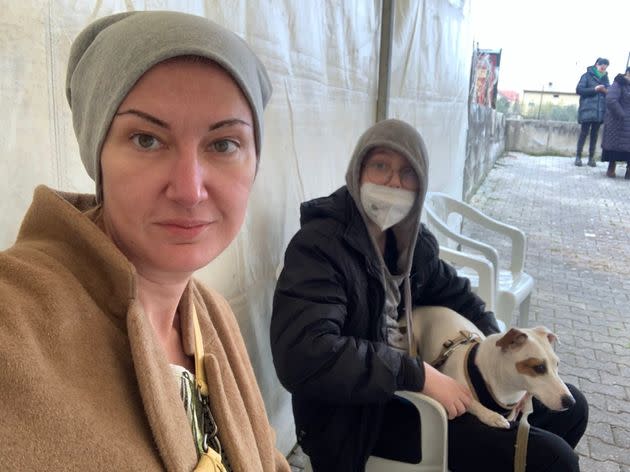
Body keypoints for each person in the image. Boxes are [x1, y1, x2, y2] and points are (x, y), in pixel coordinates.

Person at [0, 11, 290, 472]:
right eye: (147, 140)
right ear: (99, 156)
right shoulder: (16, 317)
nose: (189, 189)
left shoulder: (212, 316)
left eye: (223, 144)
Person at [271, 119, 588, 471]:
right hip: (357, 417)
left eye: (407, 173)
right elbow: (304, 354)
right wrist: (418, 375)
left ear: (420, 186)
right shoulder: (321, 247)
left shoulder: (409, 242)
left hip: (416, 385)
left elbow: (460, 295)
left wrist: (503, 352)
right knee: (553, 459)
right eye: (380, 166)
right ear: (356, 171)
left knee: (573, 411)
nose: (393, 181)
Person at [575, 57, 610, 167]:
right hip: (587, 110)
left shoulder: (606, 79)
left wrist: (605, 91)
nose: (602, 69)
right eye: (601, 66)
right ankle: (578, 157)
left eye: (605, 68)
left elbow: (609, 92)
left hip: (599, 112)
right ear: (596, 65)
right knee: (583, 133)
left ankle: (591, 158)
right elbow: (579, 90)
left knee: (595, 135)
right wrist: (595, 89)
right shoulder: (586, 76)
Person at [601, 66, 630, 178]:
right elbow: (611, 100)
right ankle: (611, 169)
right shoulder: (619, 83)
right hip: (618, 121)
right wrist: (621, 114)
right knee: (615, 146)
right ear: (627, 73)